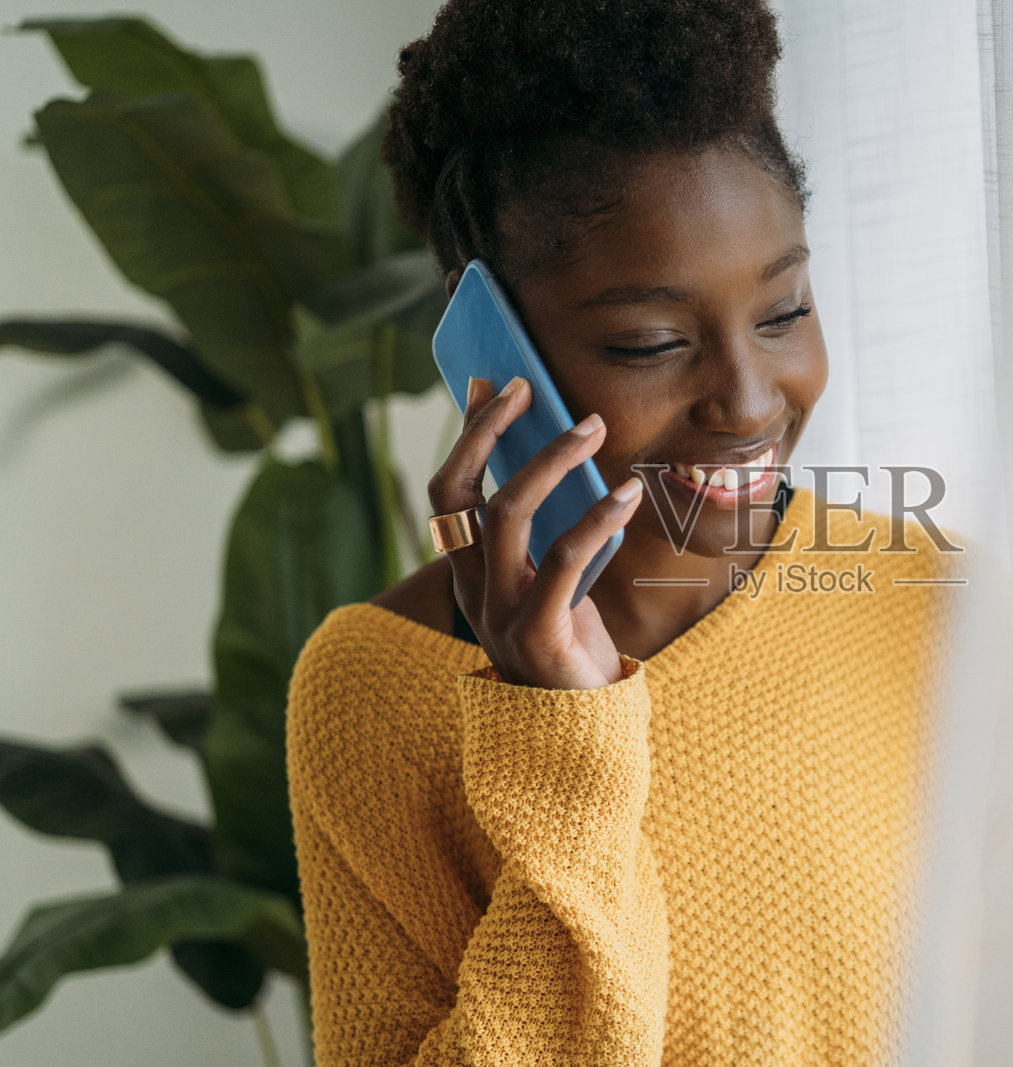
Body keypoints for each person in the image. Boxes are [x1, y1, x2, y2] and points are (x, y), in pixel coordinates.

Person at [284, 0, 962, 1062]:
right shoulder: (377, 691)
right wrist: (561, 733)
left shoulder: (936, 600)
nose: (749, 401)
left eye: (783, 313)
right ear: (493, 353)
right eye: (650, 342)